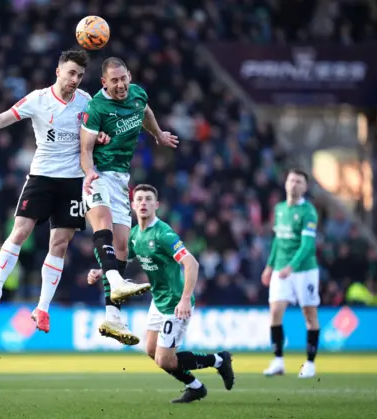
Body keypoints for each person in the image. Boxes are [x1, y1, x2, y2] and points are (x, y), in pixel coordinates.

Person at [0, 49, 109, 333]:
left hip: (72, 181)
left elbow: (93, 137)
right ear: (58, 72)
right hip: (41, 177)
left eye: (79, 75)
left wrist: (100, 137)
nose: (75, 80)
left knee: (60, 245)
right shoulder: (37, 100)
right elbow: (1, 120)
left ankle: (42, 309)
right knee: (19, 232)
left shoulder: (86, 101)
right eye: (70, 73)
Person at [88, 184, 234, 403]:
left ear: (157, 205)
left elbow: (191, 264)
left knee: (164, 360)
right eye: (139, 199)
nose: (143, 203)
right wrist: (102, 271)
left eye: (148, 199)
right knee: (151, 351)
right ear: (133, 205)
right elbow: (124, 259)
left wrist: (185, 299)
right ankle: (195, 386)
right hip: (158, 301)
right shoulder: (136, 234)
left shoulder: (164, 234)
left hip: (176, 302)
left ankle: (219, 361)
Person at [80, 57, 179, 345]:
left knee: (122, 246)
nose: (121, 84)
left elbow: (145, 111)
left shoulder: (137, 94)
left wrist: (158, 134)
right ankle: (117, 281)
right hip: (96, 174)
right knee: (104, 227)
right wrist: (88, 173)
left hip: (121, 177)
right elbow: (84, 148)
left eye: (124, 78)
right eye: (115, 81)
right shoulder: (96, 108)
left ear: (129, 76)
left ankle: (112, 317)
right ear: (104, 83)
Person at [261, 169, 320, 379]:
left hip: (304, 270)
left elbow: (307, 246)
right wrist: (270, 265)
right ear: (286, 183)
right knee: (275, 312)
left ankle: (310, 363)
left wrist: (291, 267)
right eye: (291, 180)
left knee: (309, 315)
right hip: (280, 269)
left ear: (305, 187)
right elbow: (278, 240)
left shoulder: (308, 212)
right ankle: (278, 361)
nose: (294, 184)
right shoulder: (279, 209)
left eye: (299, 181)